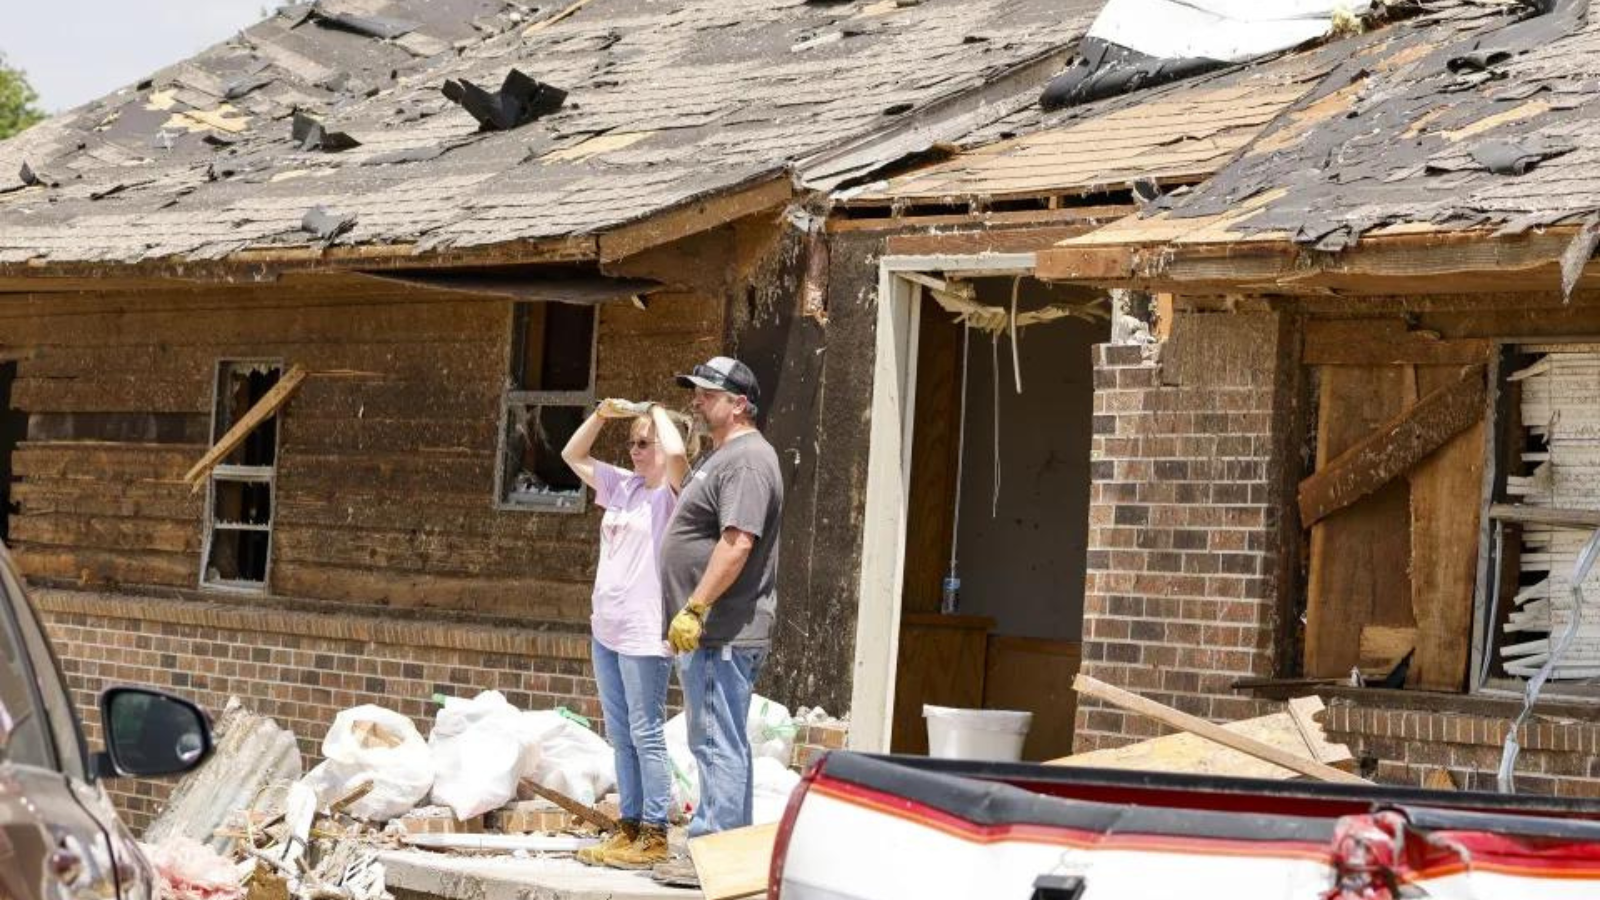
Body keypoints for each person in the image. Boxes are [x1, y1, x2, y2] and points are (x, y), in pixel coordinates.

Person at [653, 356, 784, 884]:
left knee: (715, 741)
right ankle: (728, 857)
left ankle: (712, 855)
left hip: (721, 629)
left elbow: (737, 544)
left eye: (708, 393)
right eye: (697, 391)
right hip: (711, 630)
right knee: (718, 738)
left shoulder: (749, 461)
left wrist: (696, 607)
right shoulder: (722, 456)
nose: (698, 399)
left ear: (740, 404)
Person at [561, 398, 689, 870]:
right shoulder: (624, 487)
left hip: (644, 632)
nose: (634, 451)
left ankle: (655, 831)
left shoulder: (671, 493)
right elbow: (572, 457)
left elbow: (677, 456)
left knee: (646, 732)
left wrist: (656, 410)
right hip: (607, 629)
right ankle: (629, 826)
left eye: (643, 442)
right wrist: (599, 415)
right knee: (620, 733)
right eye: (630, 443)